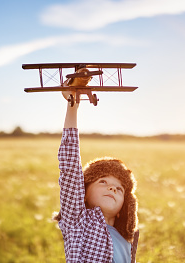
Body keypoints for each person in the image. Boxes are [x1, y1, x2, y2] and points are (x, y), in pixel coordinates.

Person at [53, 90, 139, 263]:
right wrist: (72, 107)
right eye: (103, 181)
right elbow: (70, 170)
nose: (112, 188)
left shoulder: (128, 238)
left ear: (126, 205)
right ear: (84, 192)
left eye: (119, 189)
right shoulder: (78, 222)